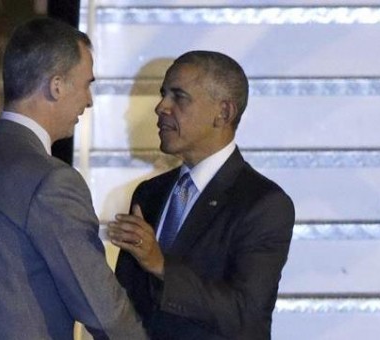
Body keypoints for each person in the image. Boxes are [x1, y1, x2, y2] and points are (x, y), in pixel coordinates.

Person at [0, 18, 146, 340]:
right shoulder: (51, 181)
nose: (89, 100)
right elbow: (104, 313)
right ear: (56, 86)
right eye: (86, 84)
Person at [108, 51, 295, 339]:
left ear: (224, 113)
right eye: (163, 95)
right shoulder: (149, 193)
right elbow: (124, 299)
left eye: (178, 96)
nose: (161, 107)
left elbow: (246, 315)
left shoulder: (264, 203)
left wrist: (161, 266)